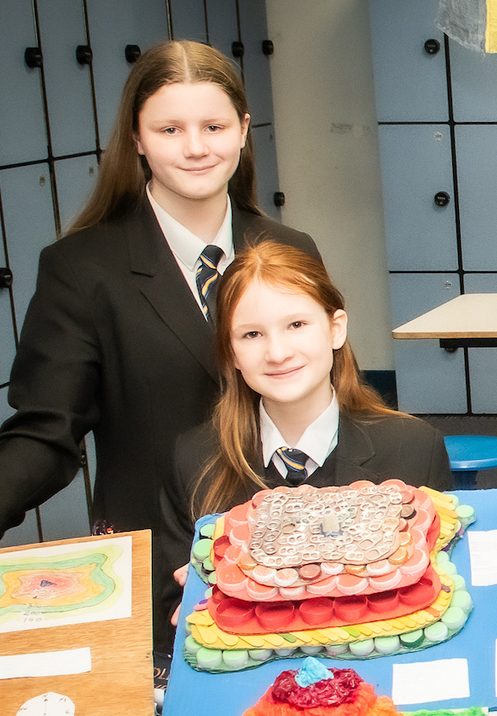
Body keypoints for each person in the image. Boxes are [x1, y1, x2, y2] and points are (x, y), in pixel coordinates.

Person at [0, 40, 318, 669]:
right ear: (137, 138)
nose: (196, 147)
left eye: (214, 126)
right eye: (170, 128)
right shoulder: (82, 268)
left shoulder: (289, 247)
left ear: (243, 131)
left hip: (294, 558)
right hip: (162, 566)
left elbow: (327, 397)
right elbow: (47, 427)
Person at [164, 241, 452, 580]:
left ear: (335, 328)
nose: (277, 352)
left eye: (296, 325)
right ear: (232, 353)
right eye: (252, 334)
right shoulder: (194, 461)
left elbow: (443, 585)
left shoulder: (414, 449)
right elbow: (172, 605)